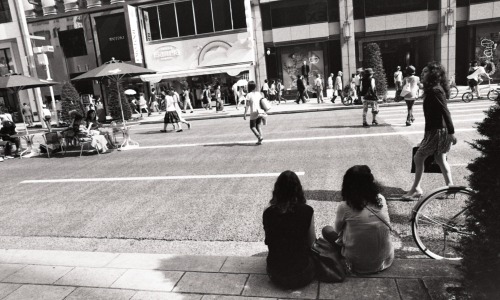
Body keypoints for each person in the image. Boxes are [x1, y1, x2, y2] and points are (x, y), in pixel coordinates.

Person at [322, 165, 394, 274]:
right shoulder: (380, 198)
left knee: (327, 230)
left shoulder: (345, 206)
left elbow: (337, 231)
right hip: (385, 260)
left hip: (356, 264)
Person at [403, 61, 457, 201]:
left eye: (425, 72)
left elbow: (445, 111)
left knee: (419, 157)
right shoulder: (434, 88)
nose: (422, 73)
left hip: (438, 131)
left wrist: (451, 132)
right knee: (440, 159)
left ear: (433, 75)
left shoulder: (436, 90)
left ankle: (416, 189)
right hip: (436, 129)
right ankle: (450, 186)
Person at [263, 170, 316, 288]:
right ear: (298, 190)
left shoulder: (268, 212)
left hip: (275, 274)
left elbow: (269, 240)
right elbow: (312, 242)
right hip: (302, 274)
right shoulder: (307, 210)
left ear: (277, 190)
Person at [243, 81, 265, 145]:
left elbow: (247, 105)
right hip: (260, 111)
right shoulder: (259, 93)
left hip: (253, 112)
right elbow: (262, 102)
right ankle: (260, 140)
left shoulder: (248, 95)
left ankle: (259, 136)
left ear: (249, 87)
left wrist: (245, 114)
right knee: (258, 126)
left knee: (252, 126)